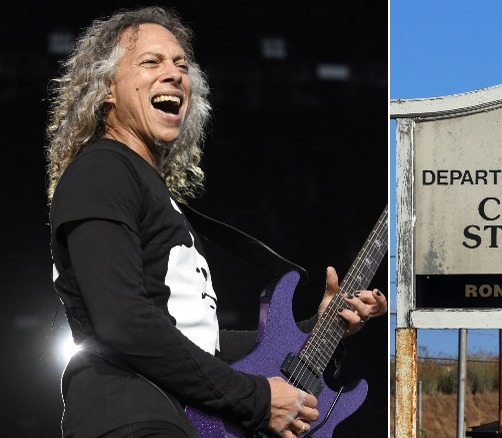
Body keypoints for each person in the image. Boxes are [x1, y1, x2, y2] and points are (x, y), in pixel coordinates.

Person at [45, 6, 387, 438]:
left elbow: (199, 346)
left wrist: (317, 330)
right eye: (151, 62)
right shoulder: (104, 170)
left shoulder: (155, 194)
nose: (174, 74)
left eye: (181, 65)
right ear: (106, 89)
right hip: (132, 419)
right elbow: (123, 323)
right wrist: (258, 399)